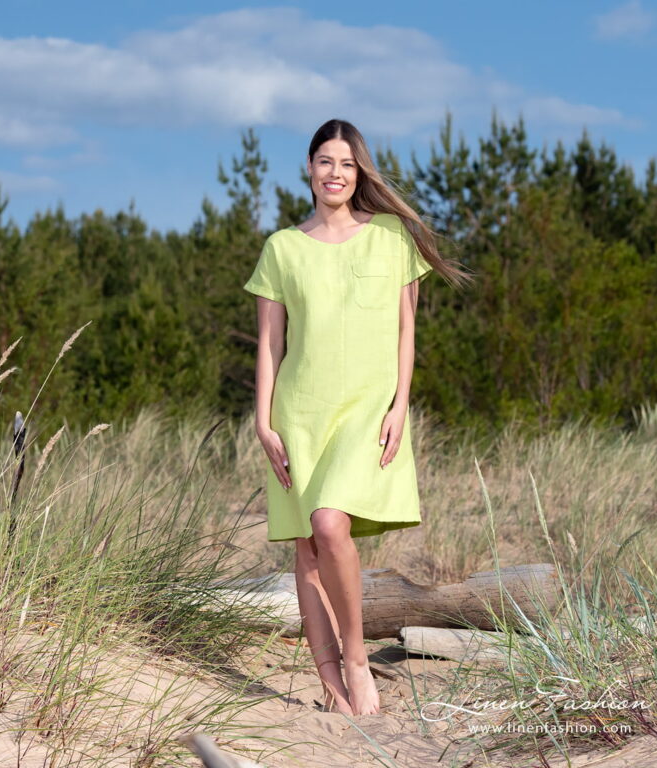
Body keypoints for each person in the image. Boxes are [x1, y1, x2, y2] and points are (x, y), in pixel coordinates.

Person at [243, 118, 467, 716]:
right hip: (300, 412)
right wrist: (263, 422)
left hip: (368, 408)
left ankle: (357, 660)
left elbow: (406, 330)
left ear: (358, 171)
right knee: (307, 548)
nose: (335, 173)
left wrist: (401, 404)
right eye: (324, 162)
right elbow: (269, 344)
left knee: (330, 522)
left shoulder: (392, 236)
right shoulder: (282, 248)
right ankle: (329, 684)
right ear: (309, 169)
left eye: (346, 163)